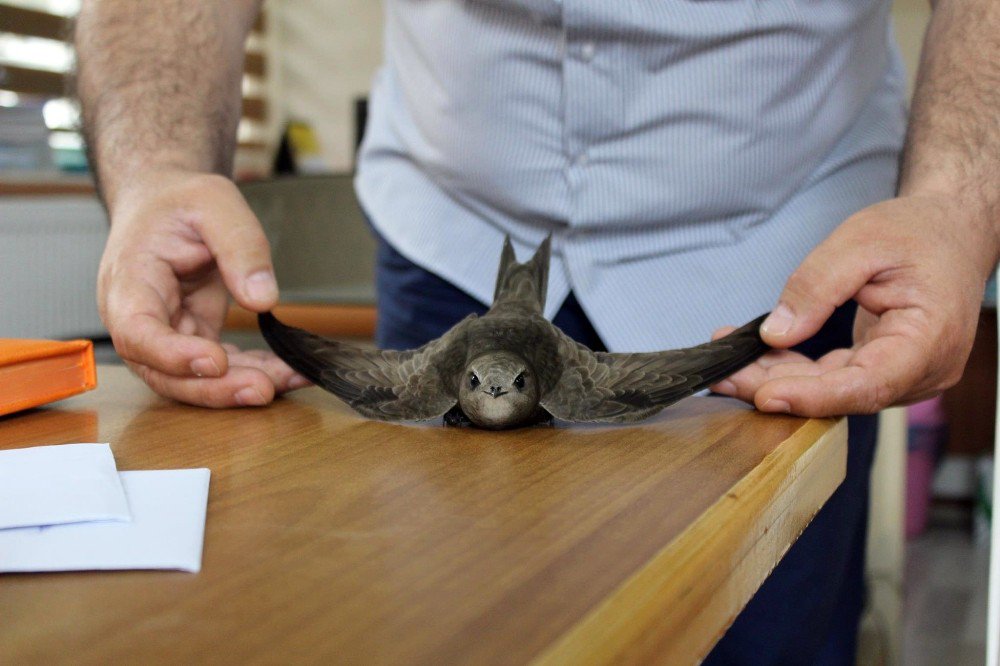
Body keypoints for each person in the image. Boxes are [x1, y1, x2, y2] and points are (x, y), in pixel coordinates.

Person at [75, 0, 999, 662]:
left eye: (497, 389)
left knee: (758, 629)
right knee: (442, 622)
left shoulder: (622, 365)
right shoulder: (437, 376)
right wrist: (156, 165)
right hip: (450, 224)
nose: (495, 396)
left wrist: (959, 202)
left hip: (781, 250)